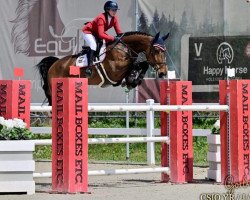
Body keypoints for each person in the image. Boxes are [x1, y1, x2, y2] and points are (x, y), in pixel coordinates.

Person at [82, 0, 122, 77]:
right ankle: (89, 68)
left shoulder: (114, 18)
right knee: (93, 45)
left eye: (116, 10)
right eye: (113, 10)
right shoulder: (101, 18)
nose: (115, 12)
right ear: (107, 10)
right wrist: (113, 38)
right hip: (88, 32)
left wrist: (122, 38)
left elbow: (119, 32)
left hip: (97, 33)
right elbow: (101, 34)